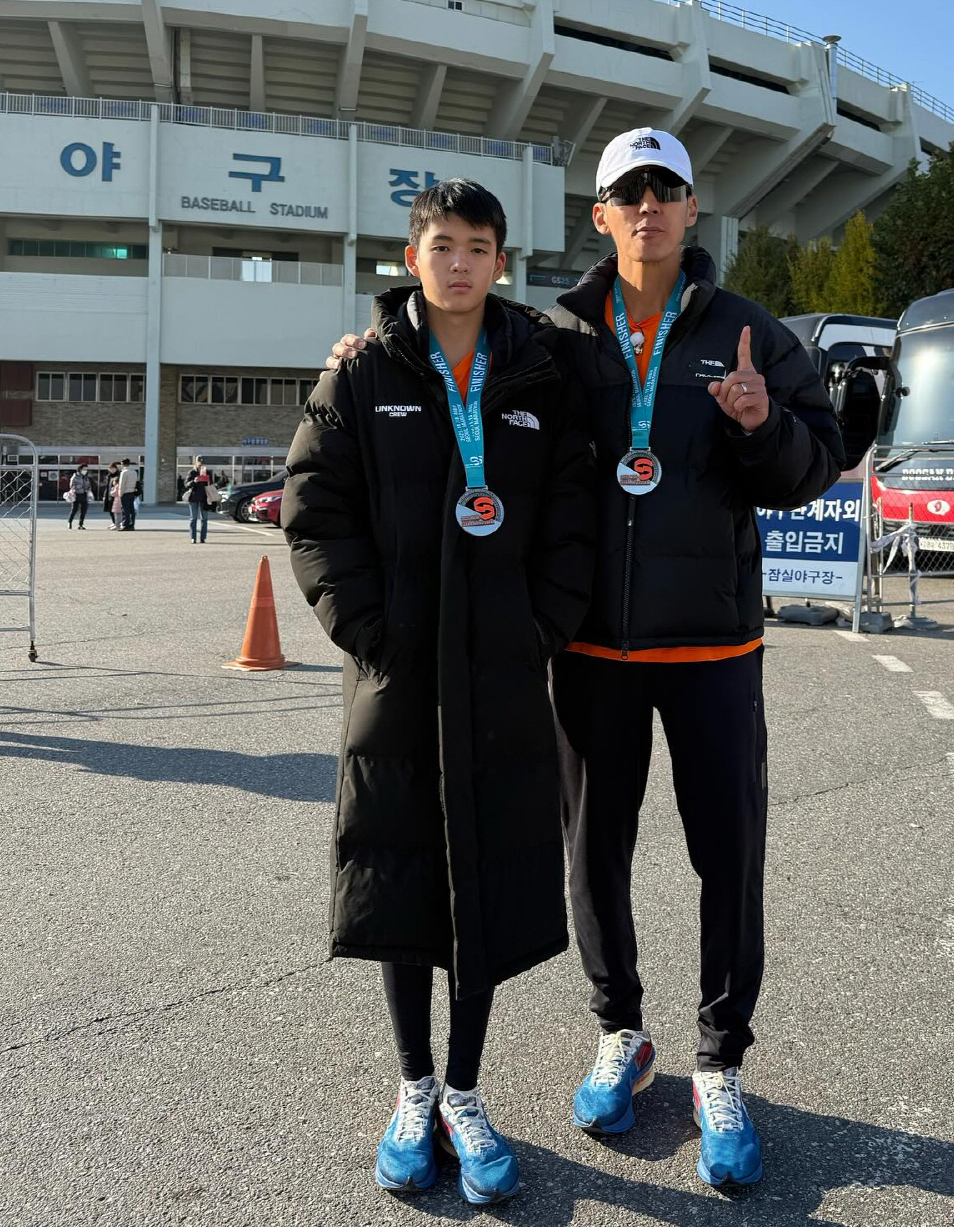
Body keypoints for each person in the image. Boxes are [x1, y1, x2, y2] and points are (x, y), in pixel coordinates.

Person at [326, 130, 844, 1190]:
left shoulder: (750, 333)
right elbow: (448, 358)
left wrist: (759, 426)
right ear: (600, 215)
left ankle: (719, 1060)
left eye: (668, 188)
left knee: (727, 857)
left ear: (694, 209)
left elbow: (815, 462)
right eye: (627, 191)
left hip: (712, 643)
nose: (649, 204)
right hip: (593, 649)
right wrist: (362, 350)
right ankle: (623, 1031)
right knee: (591, 853)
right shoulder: (557, 334)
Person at [282, 178, 594, 1205]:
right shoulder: (364, 373)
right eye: (441, 244)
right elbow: (314, 510)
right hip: (399, 676)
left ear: (501, 260)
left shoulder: (539, 372)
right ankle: (413, 1086)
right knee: (403, 879)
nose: (459, 262)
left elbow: (571, 515)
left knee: (490, 884)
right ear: (411, 256)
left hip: (504, 676)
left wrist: (541, 622)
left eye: (478, 246)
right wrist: (368, 631)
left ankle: (466, 1086)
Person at [183, 457, 213, 544]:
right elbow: (186, 484)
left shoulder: (207, 472)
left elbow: (211, 485)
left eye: (202, 464)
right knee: (193, 518)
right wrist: (194, 481)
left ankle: (203, 538)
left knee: (204, 519)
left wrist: (208, 480)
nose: (201, 465)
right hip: (194, 498)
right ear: (196, 463)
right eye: (200, 464)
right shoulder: (192, 472)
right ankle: (193, 537)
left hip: (204, 498)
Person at [117, 458, 138, 531]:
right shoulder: (134, 472)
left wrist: (120, 493)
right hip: (132, 492)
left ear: (123, 464)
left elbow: (122, 484)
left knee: (125, 510)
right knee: (131, 509)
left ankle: (125, 524)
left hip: (125, 493)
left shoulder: (124, 472)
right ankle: (131, 525)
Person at [103, 462, 121, 528]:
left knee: (116, 511)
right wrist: (105, 495)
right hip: (109, 494)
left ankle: (117, 523)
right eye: (110, 469)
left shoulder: (119, 475)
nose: (112, 470)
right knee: (110, 509)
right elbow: (107, 487)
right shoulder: (109, 476)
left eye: (113, 468)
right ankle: (114, 522)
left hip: (116, 496)